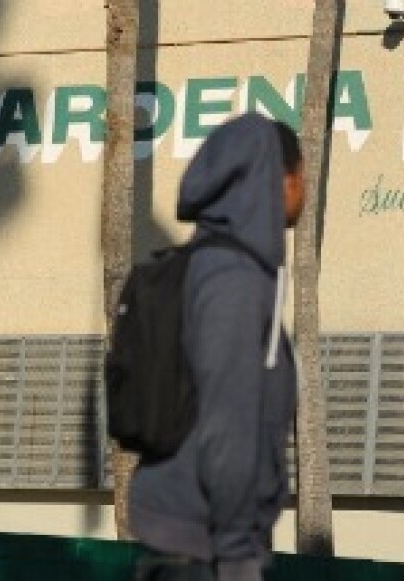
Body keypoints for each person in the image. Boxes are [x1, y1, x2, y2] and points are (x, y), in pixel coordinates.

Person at [129, 113, 304, 581]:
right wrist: (238, 556)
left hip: (194, 539)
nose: (305, 190)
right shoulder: (235, 281)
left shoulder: (212, 267)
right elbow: (228, 422)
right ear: (276, 180)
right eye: (301, 175)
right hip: (206, 548)